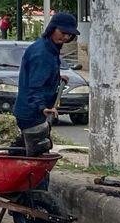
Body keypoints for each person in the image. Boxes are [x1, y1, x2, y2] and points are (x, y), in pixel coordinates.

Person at [15, 11, 78, 158]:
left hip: (30, 109)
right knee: (37, 155)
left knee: (27, 150)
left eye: (69, 34)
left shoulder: (48, 47)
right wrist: (43, 108)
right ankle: (33, 180)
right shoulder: (42, 53)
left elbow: (40, 75)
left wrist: (56, 77)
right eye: (62, 32)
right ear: (52, 28)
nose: (66, 37)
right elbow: (35, 86)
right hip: (32, 112)